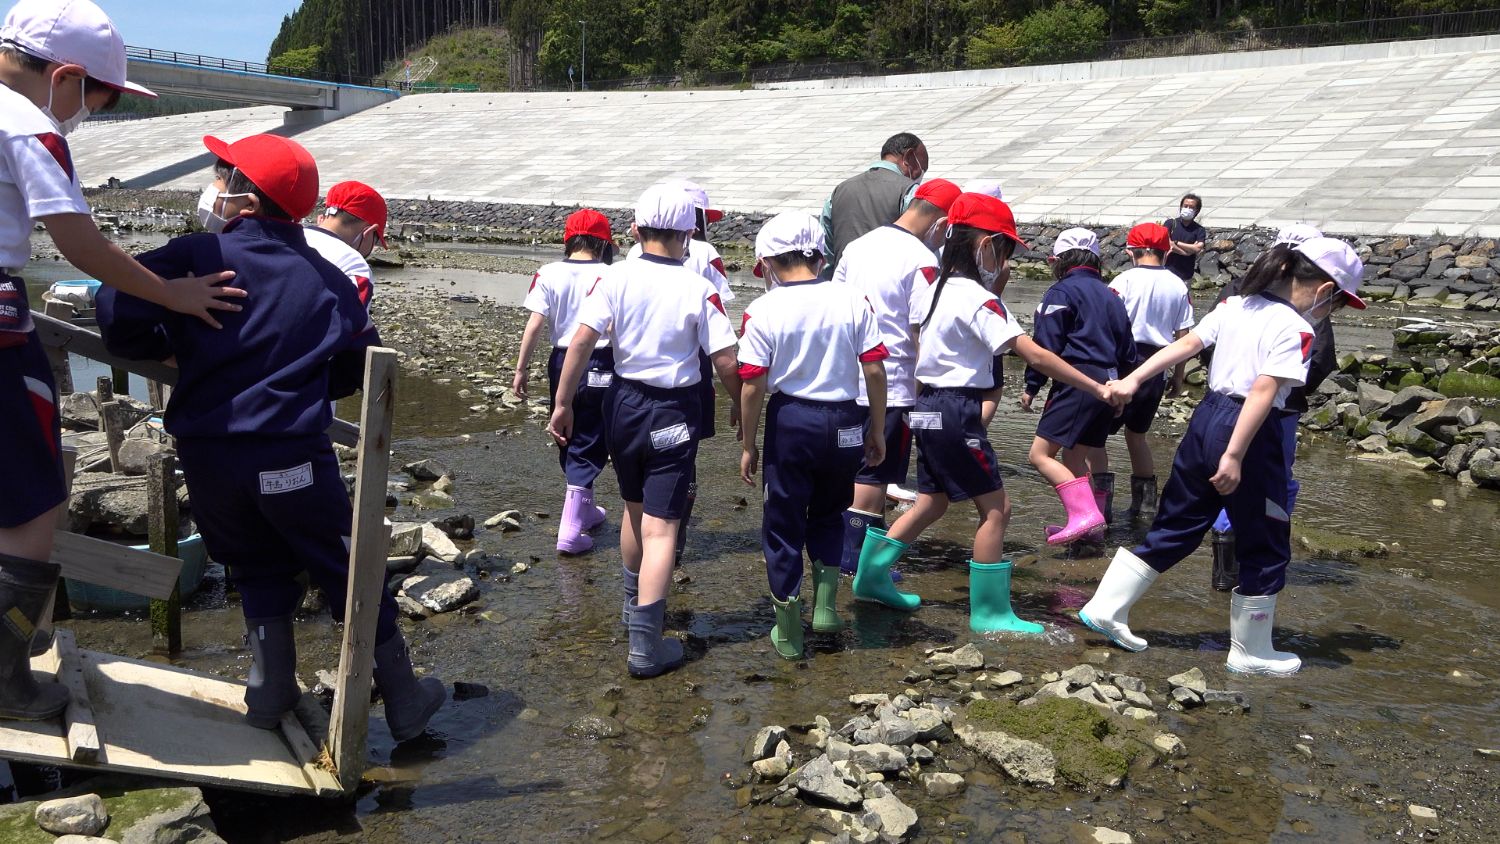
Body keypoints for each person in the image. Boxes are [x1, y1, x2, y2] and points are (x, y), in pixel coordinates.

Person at [97, 133, 446, 738]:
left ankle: (270, 691)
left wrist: (171, 345)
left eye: (223, 177)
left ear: (244, 198)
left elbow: (115, 310)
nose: (218, 189)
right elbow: (350, 368)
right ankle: (404, 697)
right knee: (342, 565)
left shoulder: (194, 256)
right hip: (290, 456)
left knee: (254, 565)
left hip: (208, 456)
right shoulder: (328, 281)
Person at [0, 0, 244, 722]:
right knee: (35, 502)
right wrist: (170, 292)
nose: (89, 115)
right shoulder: (31, 124)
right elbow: (79, 245)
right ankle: (8, 679)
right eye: (97, 101)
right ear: (65, 76)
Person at [1079, 237, 1365, 676]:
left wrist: (1132, 380)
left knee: (1178, 522)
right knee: (1267, 539)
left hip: (1205, 419)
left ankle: (1106, 607)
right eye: (1339, 303)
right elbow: (1265, 390)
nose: (1333, 312)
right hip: (1250, 432)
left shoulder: (1235, 305)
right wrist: (1235, 455)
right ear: (1326, 291)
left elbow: (1185, 346)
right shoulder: (1297, 328)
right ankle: (1251, 651)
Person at [850, 194, 1126, 631]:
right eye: (1005, 249)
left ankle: (869, 578)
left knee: (931, 501)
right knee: (997, 509)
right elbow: (1033, 354)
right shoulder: (980, 301)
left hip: (926, 406)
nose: (1005, 258)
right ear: (985, 246)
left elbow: (924, 352)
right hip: (957, 408)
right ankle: (991, 612)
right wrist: (1095, 385)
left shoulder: (933, 291)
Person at [547, 183, 740, 679]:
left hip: (621, 402)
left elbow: (582, 342)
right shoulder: (699, 288)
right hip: (671, 409)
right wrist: (742, 406)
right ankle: (645, 648)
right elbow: (723, 359)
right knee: (662, 528)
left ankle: (634, 613)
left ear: (635, 230)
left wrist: (563, 402)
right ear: (687, 234)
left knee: (635, 515)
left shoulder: (614, 278)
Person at [737, 211, 889, 659]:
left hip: (793, 421)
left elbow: (751, 384)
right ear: (820, 257)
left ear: (767, 263)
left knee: (783, 523)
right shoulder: (852, 300)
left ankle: (787, 629)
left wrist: (748, 443)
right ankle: (825, 609)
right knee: (829, 512)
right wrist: (876, 428)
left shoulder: (763, 308)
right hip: (844, 419)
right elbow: (875, 369)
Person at [831, 177, 961, 581]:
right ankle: (859, 564)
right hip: (894, 383)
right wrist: (928, 386)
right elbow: (922, 329)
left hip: (844, 378)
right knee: (875, 473)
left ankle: (839, 555)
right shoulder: (922, 260)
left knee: (851, 470)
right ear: (941, 225)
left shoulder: (858, 246)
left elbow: (835, 305)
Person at [1207, 223, 1331, 590]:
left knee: (1223, 481)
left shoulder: (1239, 290)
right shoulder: (1306, 304)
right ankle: (1253, 570)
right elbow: (1321, 357)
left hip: (1221, 405)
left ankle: (1225, 571)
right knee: (1274, 487)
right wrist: (1289, 387)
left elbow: (1208, 340)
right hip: (1278, 411)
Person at [626, 179, 733, 565]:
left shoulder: (630, 258)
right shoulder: (706, 254)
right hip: (691, 368)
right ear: (694, 221)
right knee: (682, 457)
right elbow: (721, 312)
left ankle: (638, 575)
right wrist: (739, 396)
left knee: (634, 489)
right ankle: (674, 532)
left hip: (630, 384)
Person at [1019, 229, 1137, 544]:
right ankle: (1088, 529)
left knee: (1040, 455)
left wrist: (1032, 386)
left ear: (1058, 260)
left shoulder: (1061, 292)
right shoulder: (1112, 295)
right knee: (1073, 457)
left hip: (1077, 381)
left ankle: (1087, 516)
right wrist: (1122, 386)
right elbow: (1128, 349)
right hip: (1110, 382)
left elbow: (1046, 347)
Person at [513, 209, 617, 554]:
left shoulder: (548, 272)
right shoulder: (613, 274)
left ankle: (584, 507)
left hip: (561, 361)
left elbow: (535, 322)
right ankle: (571, 527)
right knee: (593, 433)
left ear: (567, 239)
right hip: (602, 359)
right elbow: (617, 326)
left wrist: (521, 368)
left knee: (568, 429)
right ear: (604, 243)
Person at [1095, 222, 1194, 524]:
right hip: (1159, 364)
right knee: (1137, 436)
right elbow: (1184, 336)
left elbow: (1106, 326)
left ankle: (1100, 511)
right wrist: (1177, 377)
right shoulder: (1179, 285)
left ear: (1131, 251)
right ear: (1166, 251)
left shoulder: (1123, 281)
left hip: (1123, 363)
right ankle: (1145, 510)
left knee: (1095, 439)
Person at [822, 132, 928, 270]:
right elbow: (917, 247)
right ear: (908, 157)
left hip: (844, 282)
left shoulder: (838, 191)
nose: (921, 174)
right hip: (889, 284)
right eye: (923, 168)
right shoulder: (909, 191)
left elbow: (827, 251)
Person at [306, 180, 387, 308]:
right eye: (376, 240)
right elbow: (354, 326)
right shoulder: (354, 265)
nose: (374, 248)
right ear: (368, 232)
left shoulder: (284, 238)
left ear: (322, 217)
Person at [1164, 193, 1207, 282]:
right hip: (1167, 272)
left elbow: (1198, 248)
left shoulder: (1199, 229)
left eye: (1191, 207)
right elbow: (1168, 243)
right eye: (1185, 206)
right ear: (1180, 207)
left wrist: (1176, 242)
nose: (1187, 209)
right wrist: (1185, 253)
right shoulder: (1170, 223)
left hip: (1186, 275)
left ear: (1197, 211)